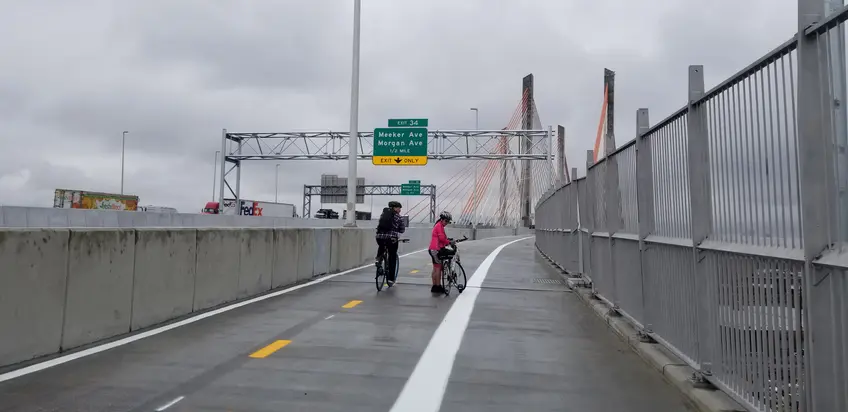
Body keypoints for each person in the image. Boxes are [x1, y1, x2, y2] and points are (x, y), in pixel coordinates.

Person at [375, 200, 406, 286]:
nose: (400, 210)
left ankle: (379, 259)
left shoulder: (383, 215)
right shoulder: (399, 217)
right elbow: (402, 229)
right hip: (391, 239)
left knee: (382, 245)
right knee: (392, 256)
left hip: (379, 237)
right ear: (395, 208)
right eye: (399, 208)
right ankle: (391, 279)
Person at [428, 211, 452, 294]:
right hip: (436, 249)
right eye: (446, 221)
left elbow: (441, 239)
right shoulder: (439, 226)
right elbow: (442, 239)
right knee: (438, 268)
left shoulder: (439, 225)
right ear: (441, 219)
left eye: (448, 221)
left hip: (433, 249)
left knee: (435, 268)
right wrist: (449, 242)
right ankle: (438, 286)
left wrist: (447, 240)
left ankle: (434, 286)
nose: (446, 223)